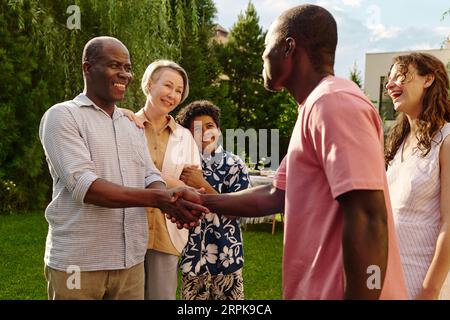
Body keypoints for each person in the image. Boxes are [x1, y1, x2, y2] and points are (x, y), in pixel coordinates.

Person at [169, 5, 409, 299]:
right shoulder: (314, 107)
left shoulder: (333, 102)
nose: (262, 59)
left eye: (265, 49)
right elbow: (275, 194)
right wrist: (204, 200)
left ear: (288, 47)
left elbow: (370, 217)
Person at [38, 37, 207, 300]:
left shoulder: (131, 125)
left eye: (128, 68)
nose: (124, 74)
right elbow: (87, 187)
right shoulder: (62, 116)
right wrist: (161, 199)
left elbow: (149, 173)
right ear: (87, 67)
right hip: (80, 263)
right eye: (114, 65)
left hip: (130, 262)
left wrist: (168, 198)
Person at [132, 60, 202, 300]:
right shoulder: (124, 125)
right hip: (128, 230)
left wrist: (168, 180)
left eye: (179, 91)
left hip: (167, 233)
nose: (173, 95)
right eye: (168, 86)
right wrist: (172, 181)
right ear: (149, 85)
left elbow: (193, 188)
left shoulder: (185, 138)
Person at [385, 52, 450, 300]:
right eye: (389, 79)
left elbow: (449, 222)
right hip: (387, 278)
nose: (390, 85)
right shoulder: (398, 142)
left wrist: (429, 290)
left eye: (401, 76)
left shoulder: (446, 139)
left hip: (423, 284)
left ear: (428, 79)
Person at [176, 100, 251, 300]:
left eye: (209, 126)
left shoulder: (234, 164)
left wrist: (202, 184)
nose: (205, 133)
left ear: (218, 129)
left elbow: (238, 210)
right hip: (193, 256)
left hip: (228, 253)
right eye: (197, 129)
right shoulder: (183, 166)